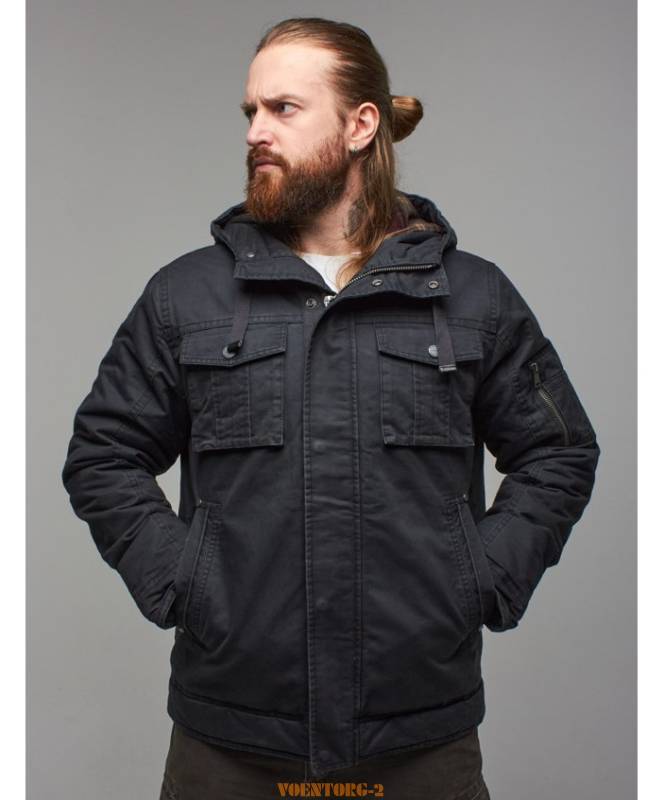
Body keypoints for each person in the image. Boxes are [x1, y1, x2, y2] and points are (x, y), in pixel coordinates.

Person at [61, 16, 600, 800]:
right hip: (229, 743)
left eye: (283, 108)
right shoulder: (187, 296)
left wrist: (479, 578)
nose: (256, 131)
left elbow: (559, 452)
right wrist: (185, 581)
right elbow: (103, 454)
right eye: (251, 111)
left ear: (360, 125)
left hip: (419, 741)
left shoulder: (474, 297)